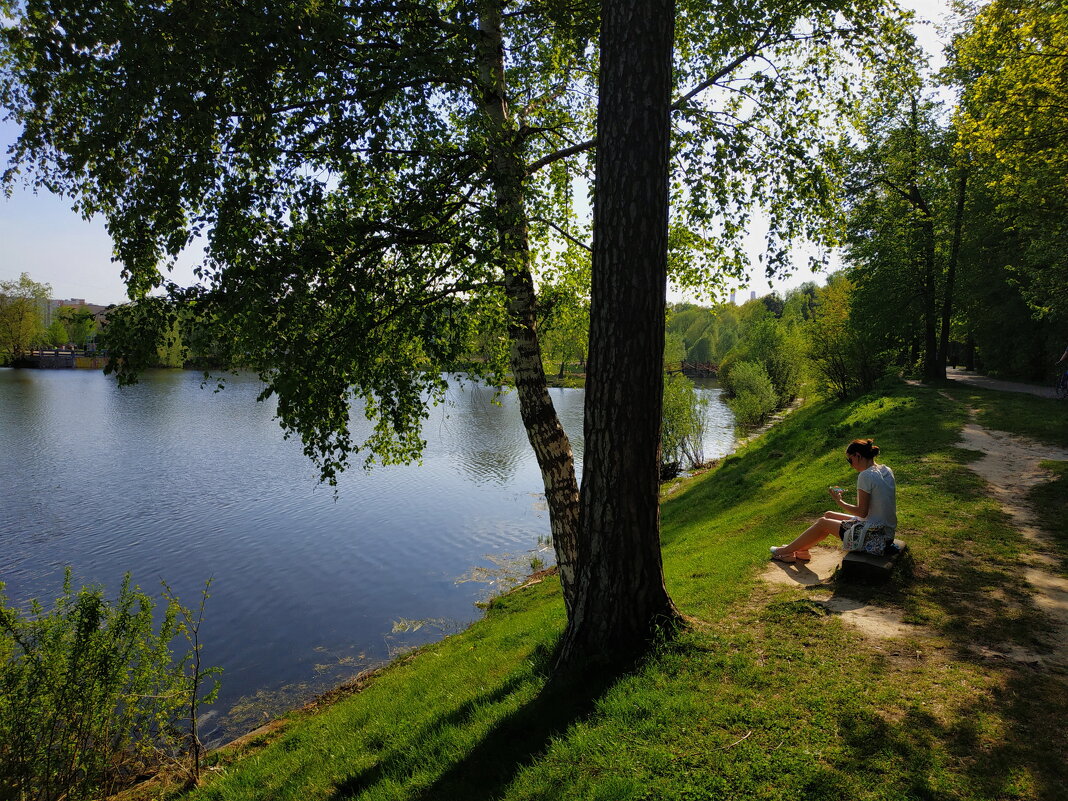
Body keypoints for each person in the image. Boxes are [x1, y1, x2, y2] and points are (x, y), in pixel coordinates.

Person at [769, 438, 897, 563]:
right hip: (886, 533)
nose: (851, 464)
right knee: (828, 515)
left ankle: (784, 551)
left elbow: (862, 512)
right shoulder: (886, 469)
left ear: (857, 455)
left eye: (850, 460)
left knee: (823, 523)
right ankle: (802, 550)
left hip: (875, 537)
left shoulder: (865, 475)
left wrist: (839, 501)